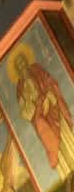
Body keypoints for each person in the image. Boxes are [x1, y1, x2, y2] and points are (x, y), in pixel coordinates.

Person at [9, 45, 74, 182]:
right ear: (17, 69)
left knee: (64, 134)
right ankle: (68, 173)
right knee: (52, 142)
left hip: (51, 106)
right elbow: (24, 110)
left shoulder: (36, 69)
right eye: (18, 64)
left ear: (26, 61)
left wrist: (48, 96)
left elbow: (49, 81)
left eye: (22, 61)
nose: (22, 65)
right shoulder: (19, 88)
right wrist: (32, 106)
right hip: (40, 118)